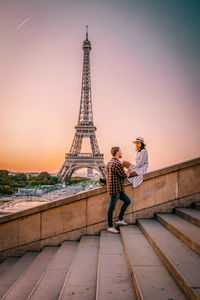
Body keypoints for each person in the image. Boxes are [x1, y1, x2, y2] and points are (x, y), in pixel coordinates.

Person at [106, 146, 131, 234]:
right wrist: (128, 172)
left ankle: (119, 219)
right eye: (120, 151)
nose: (121, 153)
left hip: (117, 189)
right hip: (115, 191)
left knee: (128, 201)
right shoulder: (117, 163)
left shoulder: (109, 163)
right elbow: (124, 176)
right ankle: (110, 226)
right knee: (111, 209)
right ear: (117, 153)